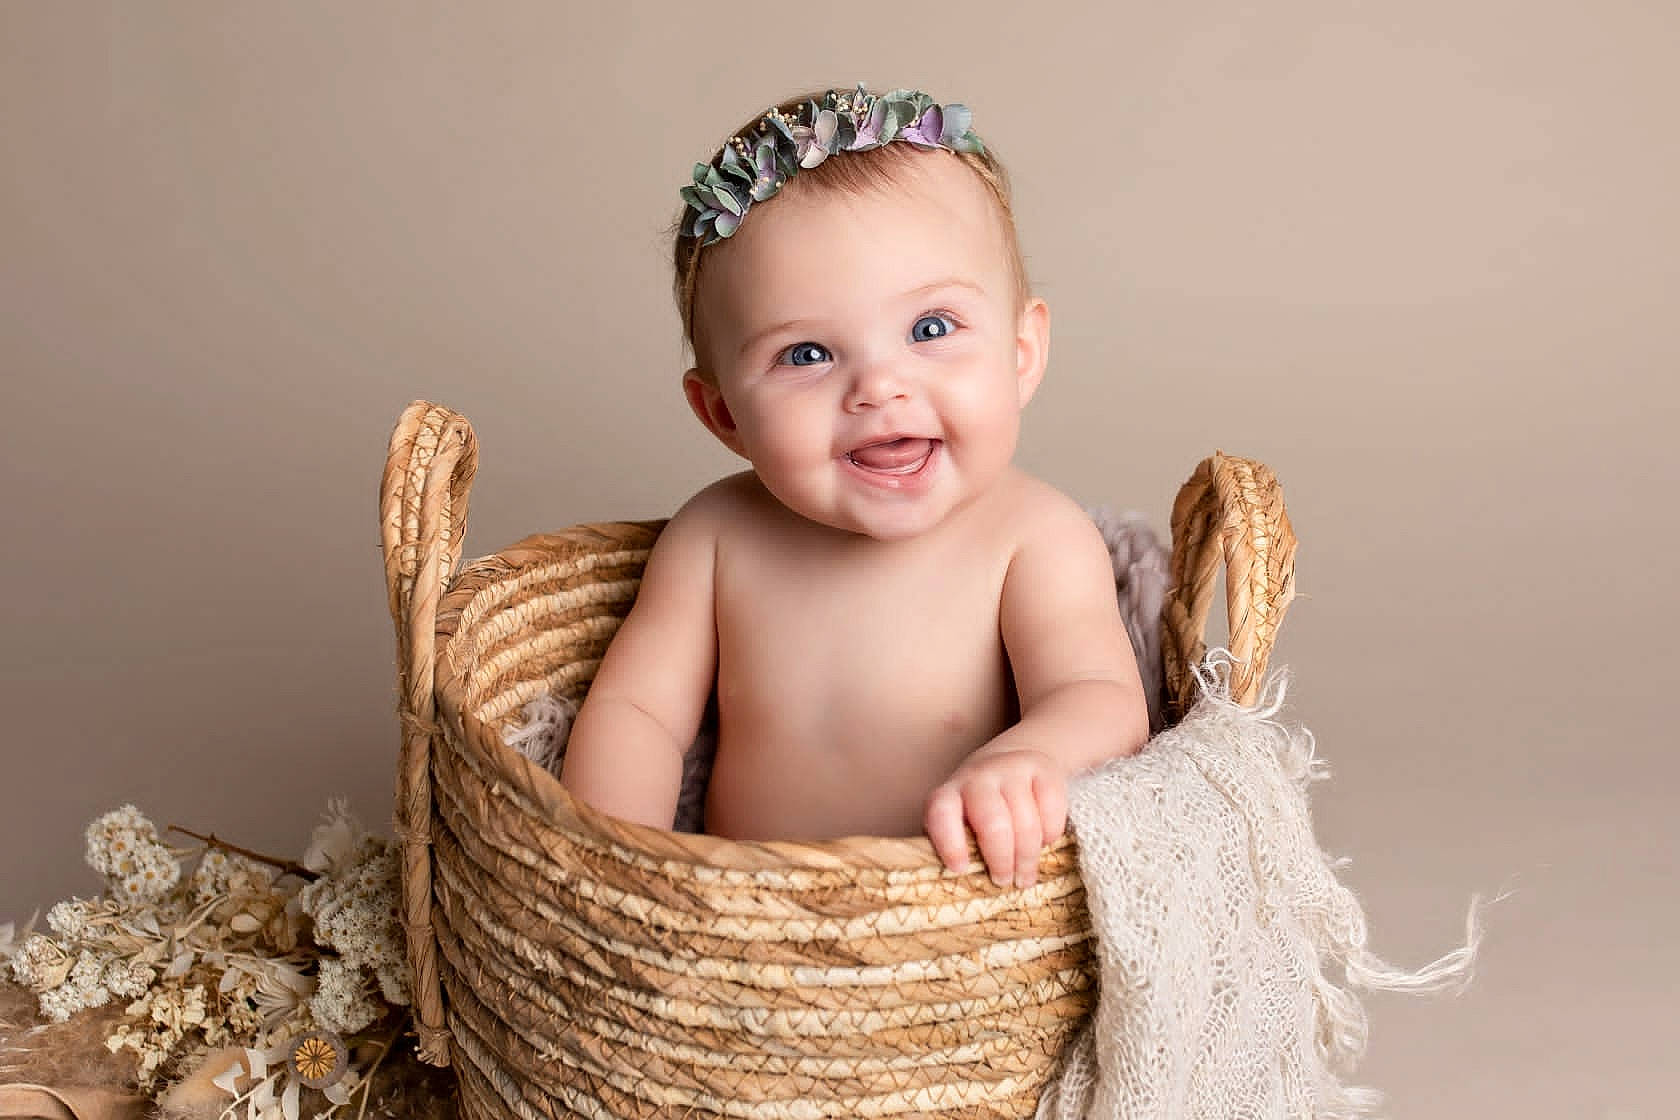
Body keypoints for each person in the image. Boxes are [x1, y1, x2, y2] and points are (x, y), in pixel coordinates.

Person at [559, 86, 1149, 889]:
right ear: (723, 412)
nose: (878, 388)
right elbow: (639, 714)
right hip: (741, 914)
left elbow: (1100, 696)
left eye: (930, 330)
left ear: (1020, 352)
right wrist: (612, 863)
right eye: (806, 355)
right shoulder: (716, 535)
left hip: (955, 917)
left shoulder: (1034, 536)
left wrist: (1028, 757)